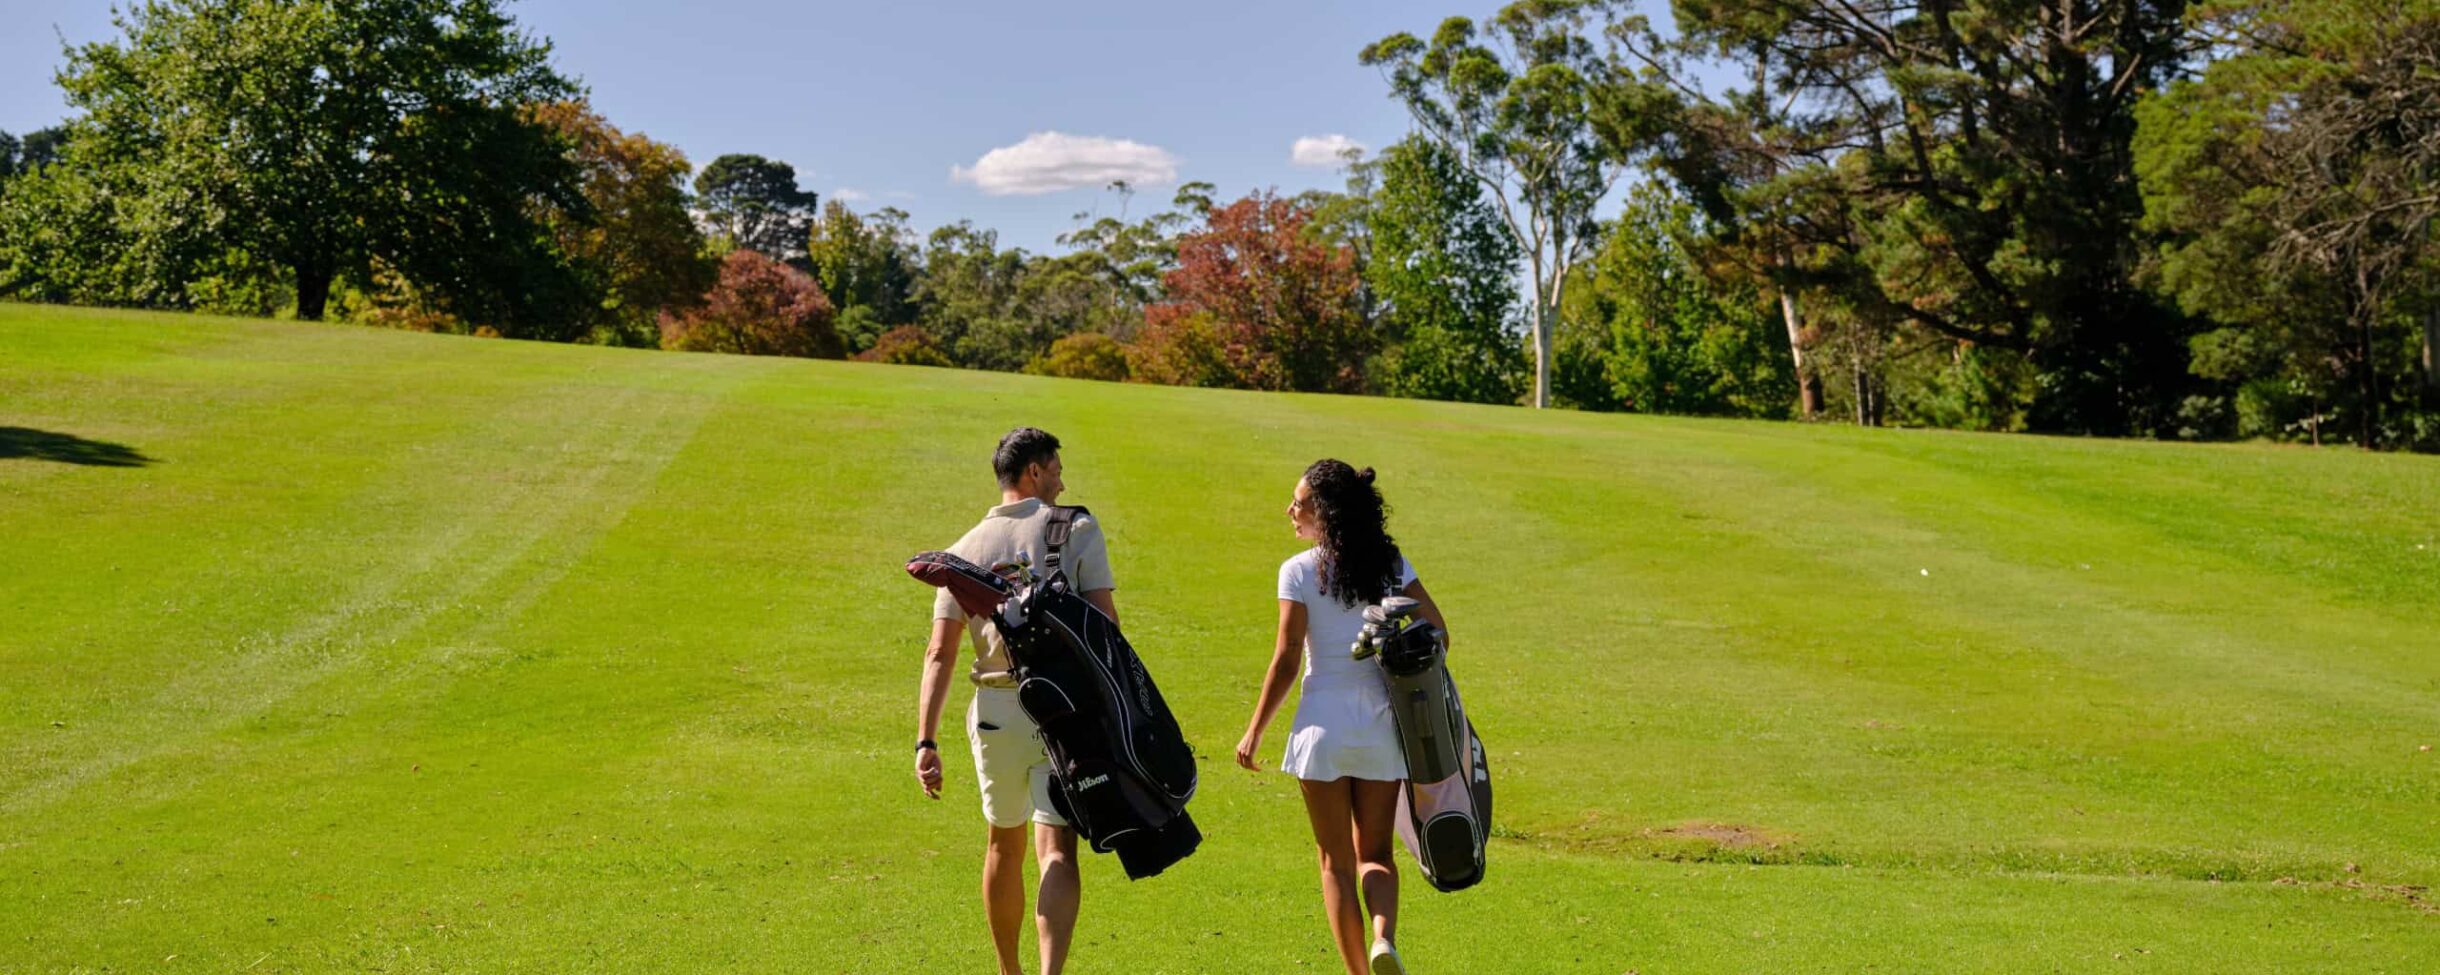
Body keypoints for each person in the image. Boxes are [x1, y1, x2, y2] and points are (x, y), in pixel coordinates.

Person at [914, 427, 1119, 975]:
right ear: (1033, 471)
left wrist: (926, 741)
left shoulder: (962, 551)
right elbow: (1107, 629)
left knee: (1003, 846)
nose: (1061, 483)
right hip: (1064, 710)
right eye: (1056, 471)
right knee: (1058, 849)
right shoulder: (1075, 528)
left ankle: (1010, 972)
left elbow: (939, 653)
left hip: (995, 712)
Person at [1237, 460, 1449, 975]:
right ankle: (1383, 940)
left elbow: (1288, 658)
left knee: (1335, 863)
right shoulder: (1391, 564)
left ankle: (1357, 971)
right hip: (1381, 727)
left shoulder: (1297, 570)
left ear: (1325, 513)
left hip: (1321, 730)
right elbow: (1439, 634)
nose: (1290, 510)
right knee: (1376, 855)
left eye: (1299, 503)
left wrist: (1255, 730)